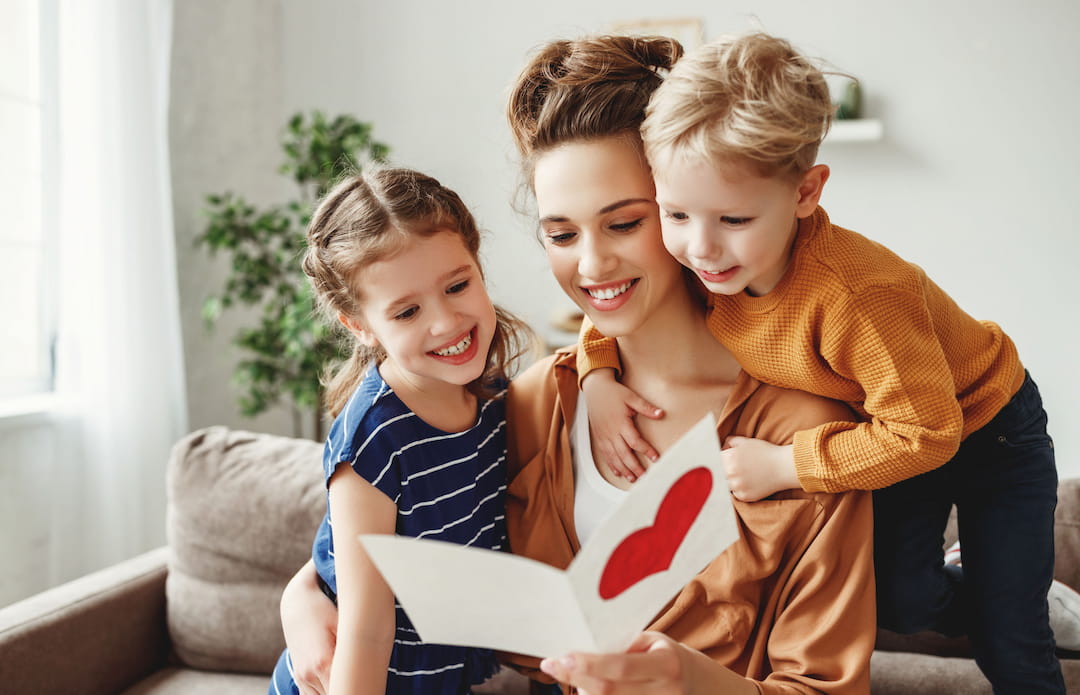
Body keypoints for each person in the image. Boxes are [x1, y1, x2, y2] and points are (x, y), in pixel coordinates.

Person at [278, 35, 877, 695]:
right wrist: (302, 598)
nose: (592, 267)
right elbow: (386, 537)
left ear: (682, 207)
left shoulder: (808, 436)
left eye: (623, 224)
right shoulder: (533, 405)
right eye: (562, 234)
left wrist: (692, 678)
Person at [577, 31, 1072, 694]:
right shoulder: (701, 257)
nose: (700, 246)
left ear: (806, 191)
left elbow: (929, 432)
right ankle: (994, 587)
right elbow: (614, 296)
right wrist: (597, 372)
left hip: (985, 427)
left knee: (1011, 647)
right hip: (888, 427)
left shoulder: (856, 297)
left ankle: (1017, 598)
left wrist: (787, 464)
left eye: (733, 218)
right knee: (901, 605)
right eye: (675, 213)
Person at [268, 167, 533, 695]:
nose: (445, 323)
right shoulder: (374, 439)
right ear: (360, 325)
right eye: (407, 311)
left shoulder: (498, 395)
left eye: (458, 285)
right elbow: (366, 633)